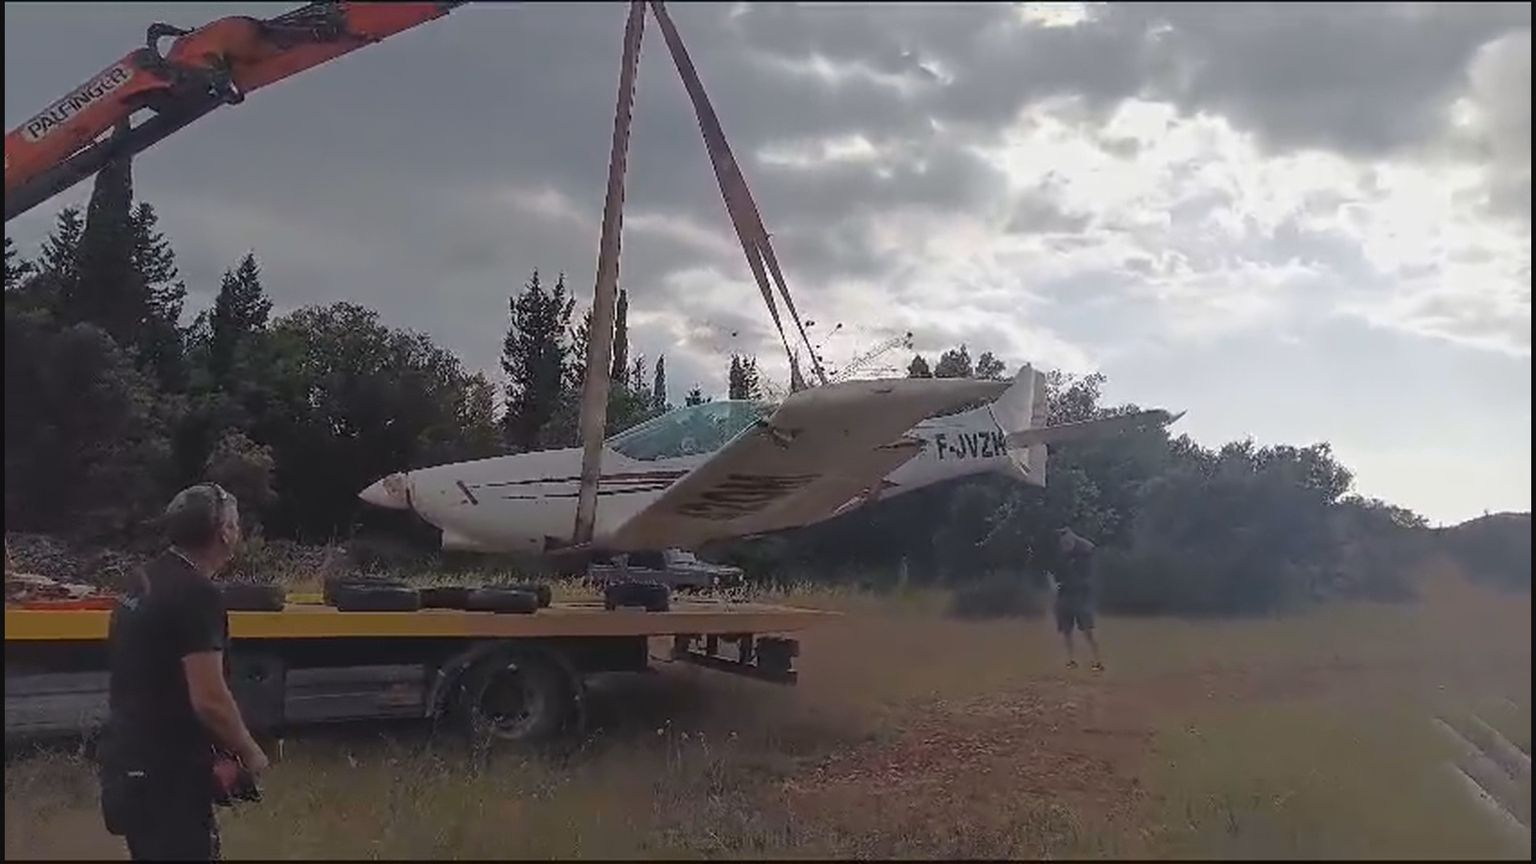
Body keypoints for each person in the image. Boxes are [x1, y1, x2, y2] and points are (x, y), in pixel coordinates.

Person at [98, 484, 269, 861]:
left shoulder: (144, 578)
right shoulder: (197, 594)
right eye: (235, 524)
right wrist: (250, 751)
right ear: (224, 533)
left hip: (129, 762)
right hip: (169, 777)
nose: (237, 531)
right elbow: (209, 699)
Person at [1051, 526, 1103, 671]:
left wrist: (1072, 535)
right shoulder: (1061, 557)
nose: (1064, 545)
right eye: (1063, 542)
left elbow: (1091, 546)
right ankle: (1071, 660)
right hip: (1065, 595)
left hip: (1081, 596)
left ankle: (1097, 660)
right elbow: (1057, 577)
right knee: (1066, 631)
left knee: (1087, 630)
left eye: (1068, 542)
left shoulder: (1084, 553)